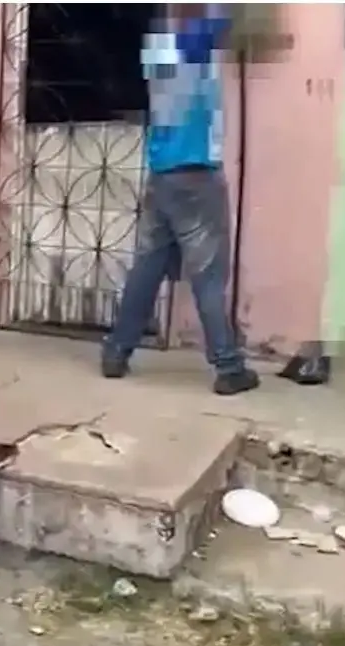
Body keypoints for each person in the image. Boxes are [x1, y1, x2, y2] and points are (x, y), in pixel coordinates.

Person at [100, 6, 259, 395]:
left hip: (162, 176)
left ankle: (116, 352)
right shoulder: (193, 42)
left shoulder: (156, 50)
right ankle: (228, 366)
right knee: (208, 275)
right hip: (197, 177)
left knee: (147, 268)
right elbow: (225, 16)